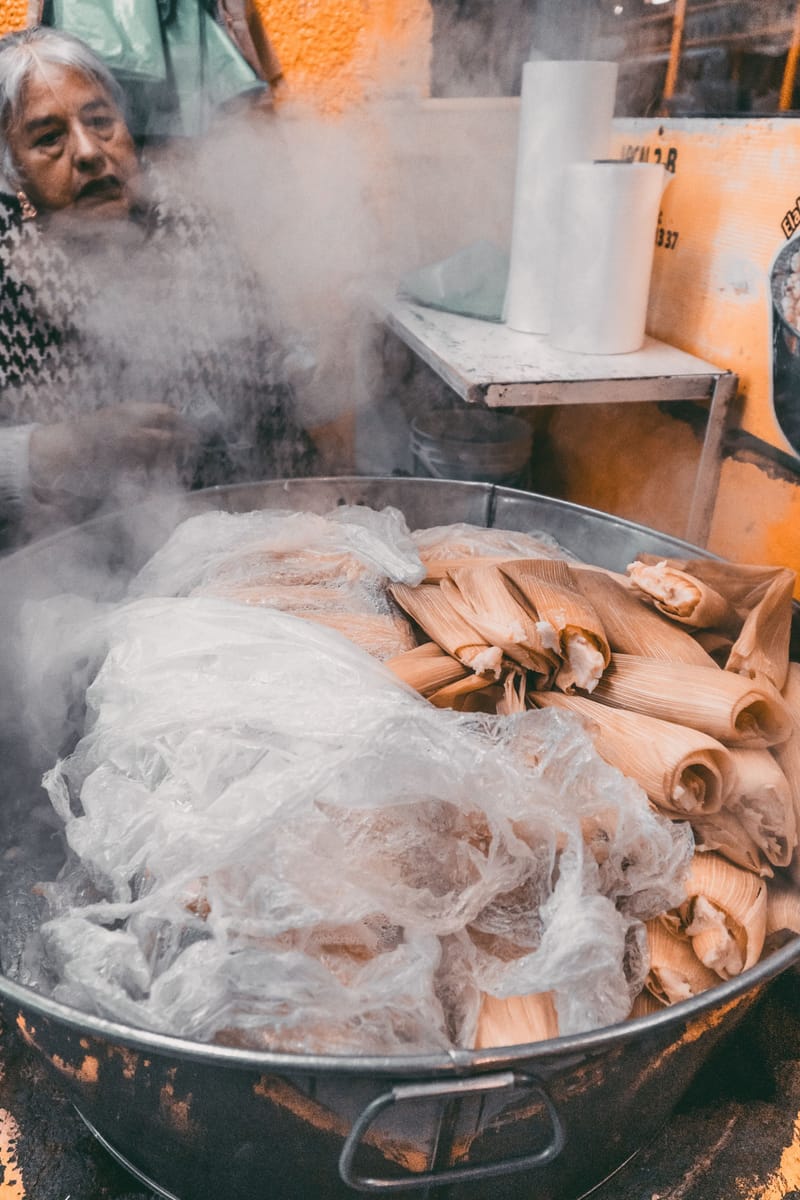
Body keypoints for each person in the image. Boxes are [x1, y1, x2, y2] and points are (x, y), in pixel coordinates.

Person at [0, 25, 316, 550]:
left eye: (101, 121)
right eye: (48, 137)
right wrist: (61, 447)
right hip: (58, 572)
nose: (88, 152)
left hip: (219, 546)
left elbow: (275, 409)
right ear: (13, 176)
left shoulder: (191, 225)